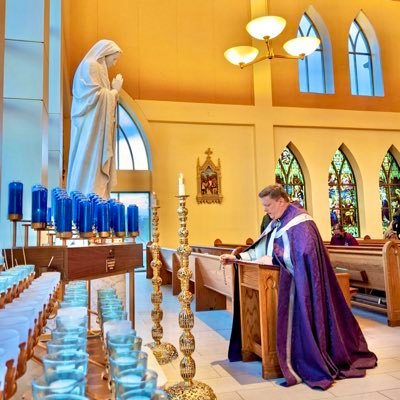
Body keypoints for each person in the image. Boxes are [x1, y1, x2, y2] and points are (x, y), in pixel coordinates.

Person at [220, 184, 377, 390]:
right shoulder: (278, 221)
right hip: (277, 282)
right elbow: (263, 246)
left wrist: (274, 259)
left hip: (300, 287)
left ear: (281, 201)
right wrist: (237, 257)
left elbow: (304, 255)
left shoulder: (301, 222)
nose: (265, 210)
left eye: (268, 205)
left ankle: (300, 356)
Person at [67, 39, 123, 199]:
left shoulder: (99, 68)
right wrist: (114, 91)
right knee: (89, 163)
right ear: (105, 53)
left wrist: (112, 92)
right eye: (114, 59)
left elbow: (100, 96)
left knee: (94, 166)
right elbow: (95, 97)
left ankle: (94, 196)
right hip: (91, 130)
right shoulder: (91, 65)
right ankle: (87, 196)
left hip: (96, 128)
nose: (114, 63)